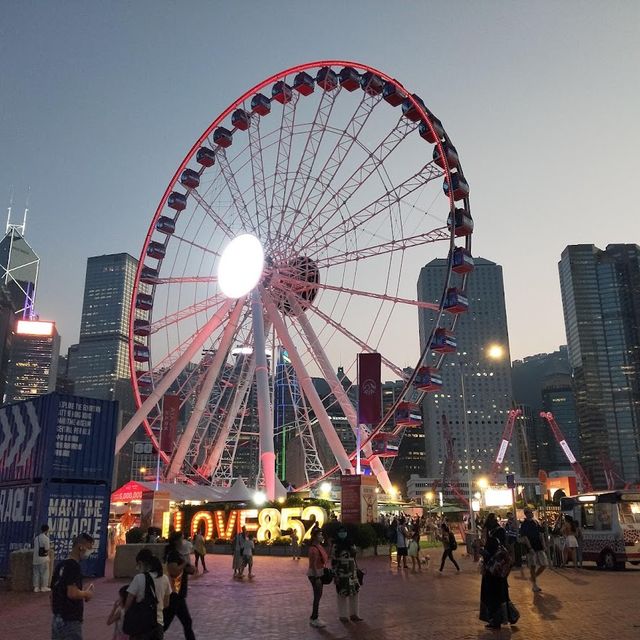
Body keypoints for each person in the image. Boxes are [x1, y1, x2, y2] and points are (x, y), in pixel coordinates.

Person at [50, 532, 95, 640]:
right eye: (89, 548)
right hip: (70, 619)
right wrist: (86, 594)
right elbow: (72, 593)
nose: (89, 552)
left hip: (57, 617)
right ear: (81, 547)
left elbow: (52, 594)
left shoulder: (60, 565)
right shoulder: (74, 566)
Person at [479, 513, 517, 630]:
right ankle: (510, 616)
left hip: (492, 570)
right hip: (500, 570)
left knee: (492, 595)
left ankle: (496, 619)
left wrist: (480, 550)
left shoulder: (492, 537)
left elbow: (489, 554)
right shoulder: (501, 532)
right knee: (502, 593)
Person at [125, 548, 171, 640]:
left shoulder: (139, 578)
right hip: (158, 624)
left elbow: (128, 604)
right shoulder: (165, 578)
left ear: (142, 564)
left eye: (138, 564)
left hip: (140, 624)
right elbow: (166, 604)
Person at [164, 532, 196, 640]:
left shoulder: (177, 555)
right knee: (167, 622)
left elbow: (191, 570)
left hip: (178, 594)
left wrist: (186, 565)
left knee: (182, 621)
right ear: (176, 541)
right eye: (182, 539)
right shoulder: (173, 555)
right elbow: (174, 571)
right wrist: (184, 563)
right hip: (175, 594)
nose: (183, 542)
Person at [331, 527, 363, 623]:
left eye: (344, 532)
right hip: (341, 572)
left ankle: (354, 614)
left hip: (352, 571)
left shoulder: (351, 543)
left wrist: (357, 569)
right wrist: (335, 574)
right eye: (340, 532)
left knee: (355, 592)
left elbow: (355, 556)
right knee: (342, 593)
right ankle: (343, 615)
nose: (342, 534)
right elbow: (333, 560)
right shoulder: (335, 545)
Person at [519, 508, 547, 592]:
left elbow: (540, 534)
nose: (531, 513)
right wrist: (529, 547)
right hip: (531, 547)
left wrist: (543, 544)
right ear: (526, 514)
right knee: (533, 565)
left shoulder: (536, 522)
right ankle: (534, 585)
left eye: (531, 512)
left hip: (539, 546)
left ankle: (533, 577)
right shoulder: (524, 524)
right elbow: (525, 536)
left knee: (544, 564)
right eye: (529, 512)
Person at [307, 528, 329, 628]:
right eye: (320, 535)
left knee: (318, 596)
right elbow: (313, 565)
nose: (322, 536)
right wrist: (317, 578)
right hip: (315, 575)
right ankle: (314, 618)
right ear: (315, 536)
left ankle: (314, 617)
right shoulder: (314, 549)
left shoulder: (318, 547)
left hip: (318, 573)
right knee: (317, 596)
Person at [33, 523, 51, 593]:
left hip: (35, 558)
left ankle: (36, 587)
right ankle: (44, 586)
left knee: (36, 573)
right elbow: (47, 548)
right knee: (45, 572)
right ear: (47, 530)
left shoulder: (36, 538)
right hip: (43, 558)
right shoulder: (46, 538)